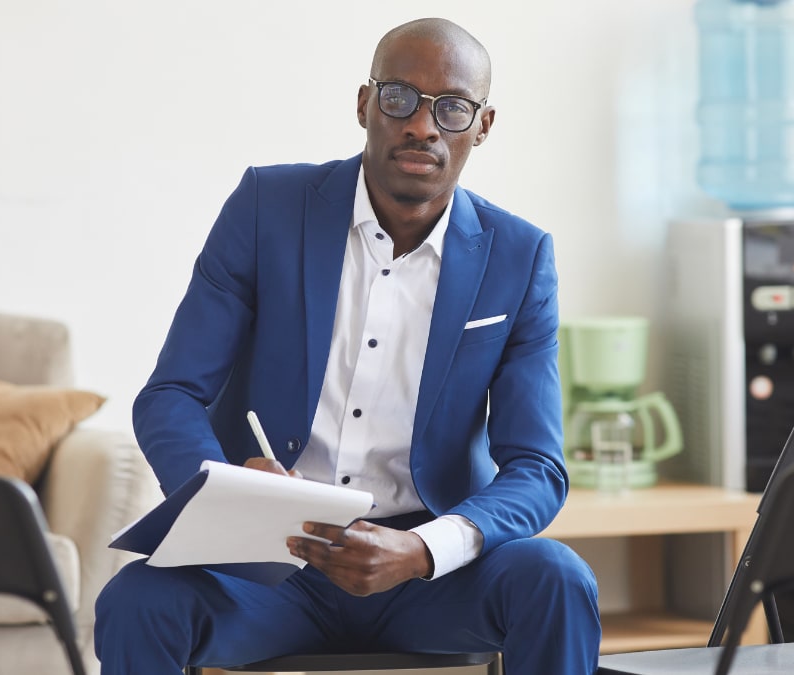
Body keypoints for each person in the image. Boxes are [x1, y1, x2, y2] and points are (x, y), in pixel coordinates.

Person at [94, 17, 601, 675]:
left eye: (451, 107)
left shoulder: (519, 256)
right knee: (138, 597)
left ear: (482, 125)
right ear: (365, 104)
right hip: (271, 564)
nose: (423, 125)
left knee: (555, 575)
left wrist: (422, 549)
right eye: (400, 98)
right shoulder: (266, 208)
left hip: (428, 573)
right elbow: (171, 396)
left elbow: (537, 465)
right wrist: (226, 494)